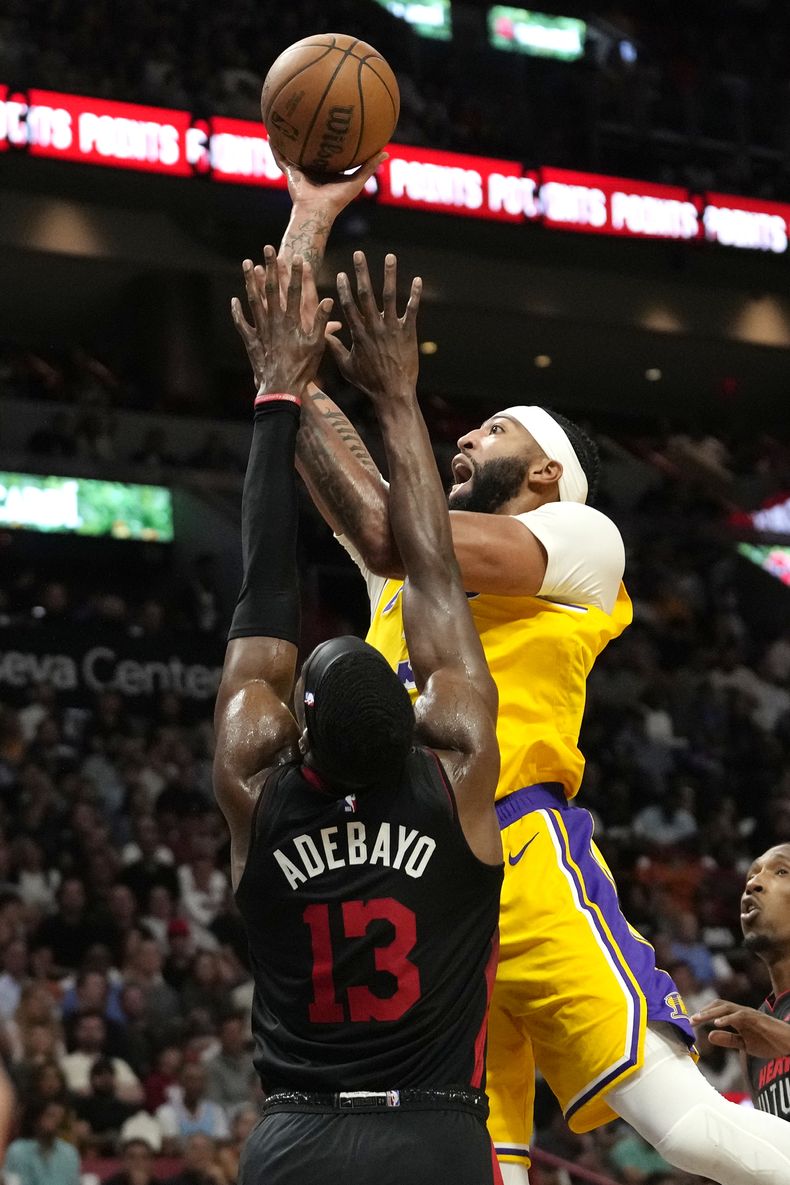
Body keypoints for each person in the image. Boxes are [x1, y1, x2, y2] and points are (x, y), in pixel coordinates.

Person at [234, 155, 790, 1185]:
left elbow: (392, 530)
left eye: (488, 431)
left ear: (542, 469)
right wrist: (308, 215)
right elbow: (290, 381)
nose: (461, 435)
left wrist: (372, 406)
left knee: (685, 1127)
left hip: (519, 848)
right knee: (477, 1164)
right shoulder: (408, 562)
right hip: (408, 860)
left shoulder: (583, 538)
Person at [219, 246, 502, 1185]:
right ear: (419, 715)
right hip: (435, 1137)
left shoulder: (259, 782)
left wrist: (277, 396)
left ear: (295, 725)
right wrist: (395, 395)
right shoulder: (457, 765)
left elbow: (263, 593)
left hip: (299, 1136)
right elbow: (431, 573)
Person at [692, 842, 790, 1119]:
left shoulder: (759, 1025)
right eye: (751, 876)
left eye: (781, 871)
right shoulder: (755, 1033)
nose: (753, 884)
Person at [4, 1098, 80, 1185]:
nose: (56, 1122)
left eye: (60, 1117)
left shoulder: (69, 1153)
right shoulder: (18, 1150)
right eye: (51, 1116)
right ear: (36, 1118)